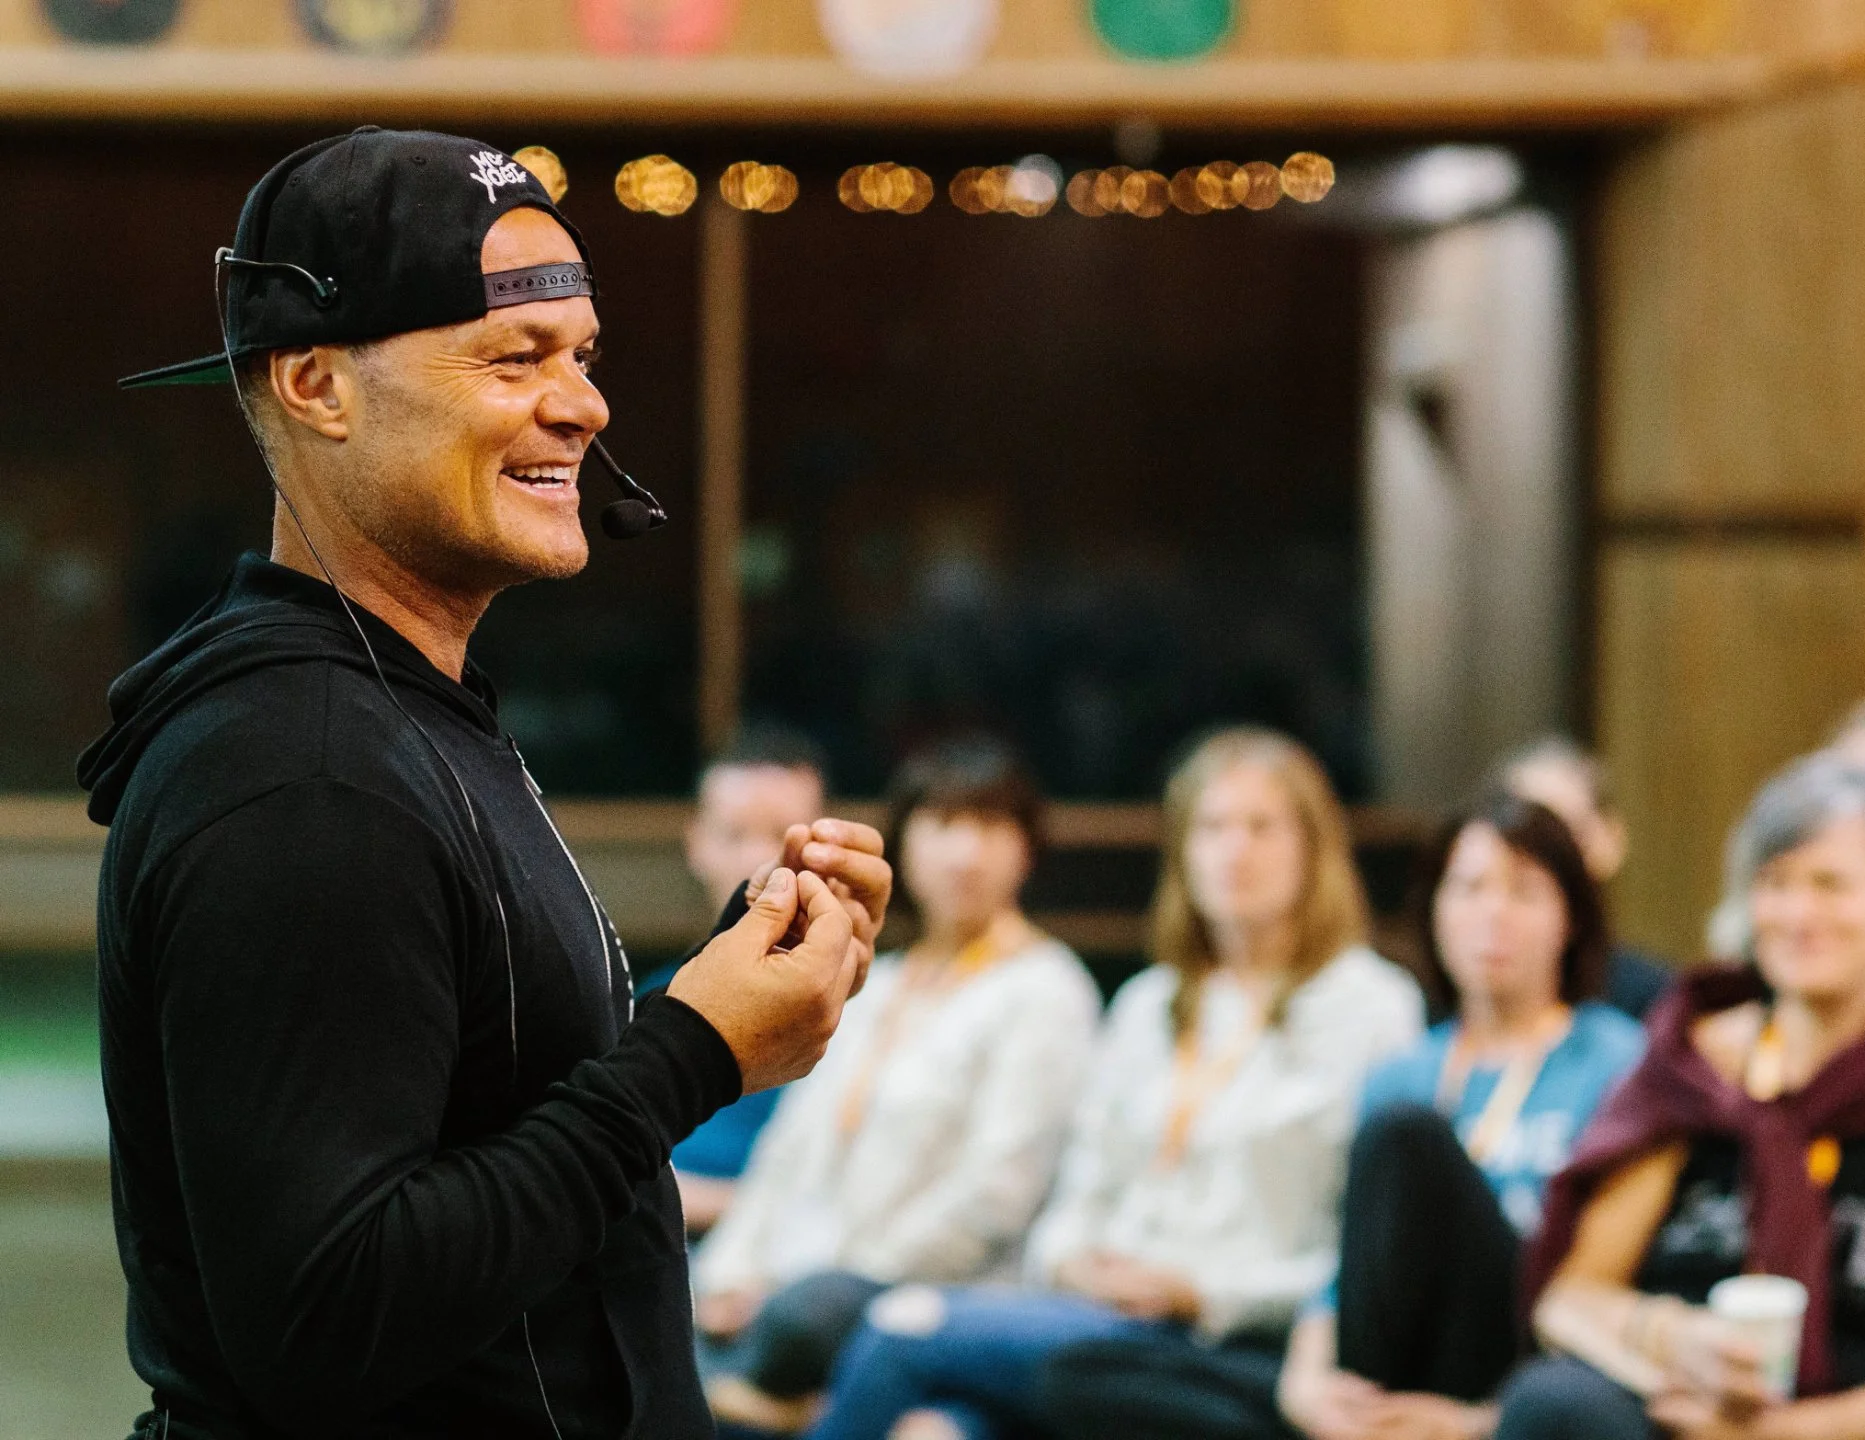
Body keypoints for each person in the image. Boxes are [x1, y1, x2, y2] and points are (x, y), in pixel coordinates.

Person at [77, 129, 891, 1439]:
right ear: (316, 385)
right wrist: (693, 1051)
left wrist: (737, 978)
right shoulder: (310, 777)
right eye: (514, 357)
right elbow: (326, 1315)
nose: (583, 406)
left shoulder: (399, 718)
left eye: (581, 356)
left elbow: (492, 1113)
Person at [802, 728, 1425, 1440]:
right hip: (1102, 1319)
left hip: (1239, 1343)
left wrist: (1199, 1291)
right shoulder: (1149, 1005)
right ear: (1183, 853)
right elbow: (1076, 1200)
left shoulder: (1373, 1008)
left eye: (1262, 828)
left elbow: (1362, 1255)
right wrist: (1078, 1261)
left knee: (900, 1326)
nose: (1234, 851)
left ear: (1314, 850)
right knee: (942, 1431)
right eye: (1212, 828)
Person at [1500, 755, 1865, 1440]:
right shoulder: (1695, 1068)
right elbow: (1570, 1299)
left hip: (1862, 1428)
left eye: (1830, 884)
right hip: (1675, 1415)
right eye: (1775, 883)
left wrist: (1786, 1434)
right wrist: (1671, 1337)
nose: (1798, 913)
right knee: (1552, 1405)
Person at [689, 740, 1100, 1433]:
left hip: (918, 1289)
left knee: (798, 1321)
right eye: (943, 825)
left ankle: (762, 1399)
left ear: (1027, 849)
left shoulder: (1045, 989)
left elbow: (996, 1196)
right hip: (799, 1279)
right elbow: (788, 1153)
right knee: (664, 1300)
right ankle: (756, 1395)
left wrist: (824, 1276)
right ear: (904, 842)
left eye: (992, 828)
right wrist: (731, 1274)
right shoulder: (879, 981)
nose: (965, 854)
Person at [1276, 791, 1646, 1440]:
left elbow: (1615, 1278)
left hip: (1535, 1348)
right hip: (1398, 1357)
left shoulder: (1617, 1059)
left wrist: (1481, 1423)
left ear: (1572, 919)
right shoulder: (1405, 1067)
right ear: (1434, 911)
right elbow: (1346, 1269)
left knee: (1404, 1134)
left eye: (1524, 892)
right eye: (1468, 888)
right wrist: (1303, 1383)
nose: (1492, 915)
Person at [672, 725, 831, 1235]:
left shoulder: (859, 1004)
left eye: (783, 837)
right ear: (696, 844)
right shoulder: (648, 993)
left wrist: (665, 1198)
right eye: (734, 834)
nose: (756, 862)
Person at [1495, 736, 1671, 1018]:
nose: (1548, 867)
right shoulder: (1452, 1003)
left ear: (1611, 840)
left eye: (1568, 837)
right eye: (1526, 844)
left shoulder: (1657, 1002)